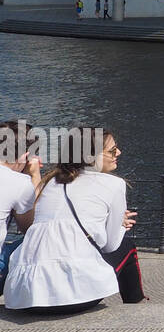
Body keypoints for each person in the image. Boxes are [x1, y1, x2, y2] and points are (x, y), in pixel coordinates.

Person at [3, 127, 136, 314]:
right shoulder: (114, 184)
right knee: (126, 245)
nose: (119, 153)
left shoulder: (49, 182)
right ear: (91, 157)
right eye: (113, 151)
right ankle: (136, 308)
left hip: (25, 298)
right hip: (76, 299)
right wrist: (121, 226)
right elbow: (109, 246)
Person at [0, 120, 41, 293]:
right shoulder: (19, 183)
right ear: (25, 156)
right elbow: (34, 231)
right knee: (41, 241)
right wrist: (34, 176)